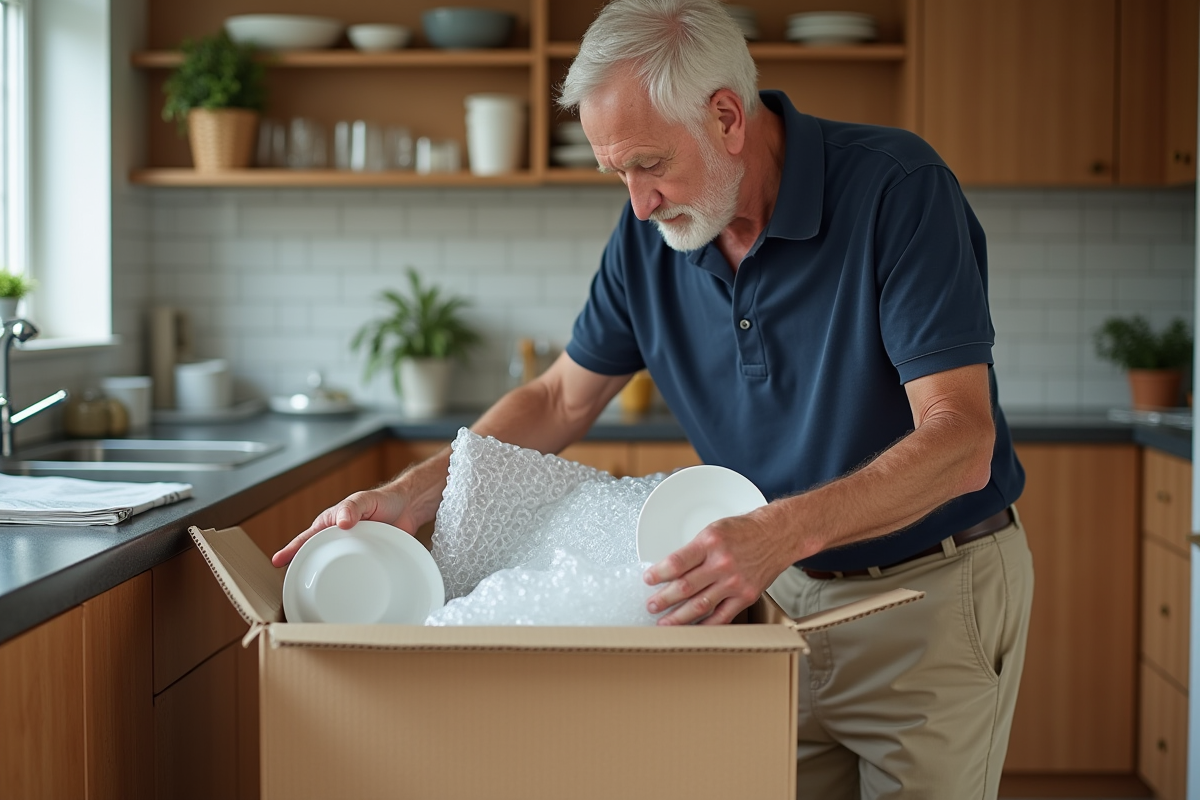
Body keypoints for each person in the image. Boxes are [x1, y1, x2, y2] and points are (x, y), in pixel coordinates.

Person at [273, 1, 1034, 797]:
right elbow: (561, 397)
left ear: (728, 117)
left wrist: (778, 531)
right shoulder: (652, 236)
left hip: (927, 597)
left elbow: (960, 441)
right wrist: (414, 493)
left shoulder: (897, 189)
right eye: (618, 173)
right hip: (776, 596)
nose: (637, 202)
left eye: (649, 164)